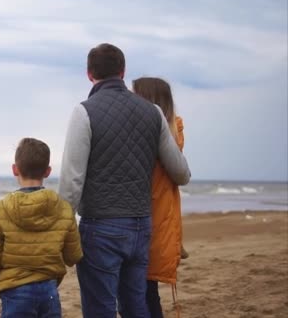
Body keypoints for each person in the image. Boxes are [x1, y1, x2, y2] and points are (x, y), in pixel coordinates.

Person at [58, 43, 191, 318]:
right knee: (135, 307)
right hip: (141, 226)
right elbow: (181, 173)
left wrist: (59, 229)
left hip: (100, 227)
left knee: (100, 308)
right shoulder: (153, 112)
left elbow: (72, 181)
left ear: (89, 74)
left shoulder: (84, 112)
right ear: (123, 71)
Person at [0, 137, 83, 318]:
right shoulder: (63, 208)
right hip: (49, 291)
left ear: (15, 169)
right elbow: (73, 256)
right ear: (48, 171)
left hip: (14, 292)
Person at [132, 77, 186, 317]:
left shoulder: (153, 136)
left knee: (142, 292)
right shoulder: (173, 135)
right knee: (145, 291)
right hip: (159, 221)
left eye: (135, 96)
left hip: (149, 221)